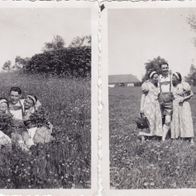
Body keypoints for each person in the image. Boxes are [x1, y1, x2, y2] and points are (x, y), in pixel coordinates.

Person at [171, 72, 194, 144]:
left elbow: (191, 94)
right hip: (175, 105)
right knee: (177, 121)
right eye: (172, 77)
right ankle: (180, 136)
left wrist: (184, 99)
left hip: (184, 105)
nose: (173, 79)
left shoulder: (184, 85)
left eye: (174, 77)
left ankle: (191, 139)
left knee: (186, 120)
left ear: (178, 78)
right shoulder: (172, 86)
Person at [139, 71, 163, 139]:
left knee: (157, 122)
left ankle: (156, 136)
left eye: (157, 77)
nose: (156, 79)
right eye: (154, 77)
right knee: (151, 122)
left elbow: (158, 97)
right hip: (148, 106)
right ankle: (142, 134)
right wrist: (141, 108)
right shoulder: (146, 85)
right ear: (151, 78)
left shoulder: (158, 86)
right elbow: (143, 96)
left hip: (156, 106)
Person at [158, 62, 173, 141]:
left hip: (169, 101)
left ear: (168, 68)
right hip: (160, 100)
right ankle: (159, 135)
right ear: (161, 69)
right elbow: (156, 89)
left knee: (167, 120)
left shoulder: (171, 77)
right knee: (160, 119)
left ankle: (163, 138)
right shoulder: (158, 78)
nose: (165, 69)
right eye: (163, 68)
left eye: (166, 67)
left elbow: (174, 88)